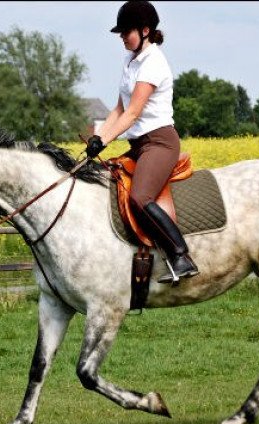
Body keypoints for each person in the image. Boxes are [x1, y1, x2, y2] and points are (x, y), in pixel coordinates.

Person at [85, 0, 199, 284]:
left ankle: (181, 256)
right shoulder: (130, 61)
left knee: (140, 197)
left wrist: (107, 140)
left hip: (160, 143)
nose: (122, 37)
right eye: (121, 33)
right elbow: (120, 109)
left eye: (126, 32)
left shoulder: (154, 63)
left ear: (145, 30)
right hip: (139, 145)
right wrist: (97, 138)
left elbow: (134, 112)